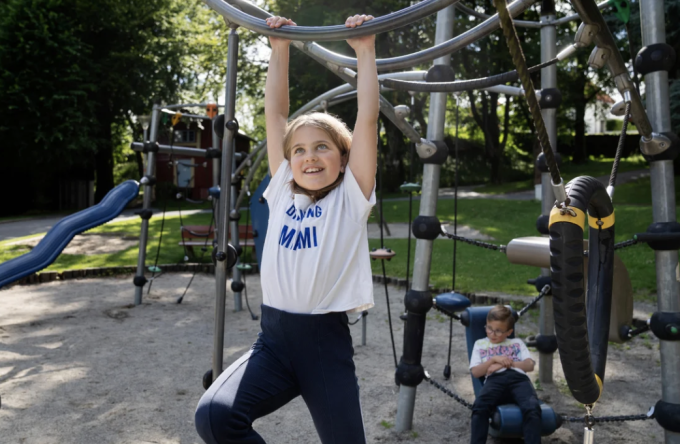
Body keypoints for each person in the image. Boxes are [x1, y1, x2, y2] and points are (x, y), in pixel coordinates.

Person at [194, 13, 379, 444]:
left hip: (323, 346)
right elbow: (275, 113)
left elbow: (367, 119)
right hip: (274, 341)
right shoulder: (282, 191)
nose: (309, 156)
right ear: (287, 160)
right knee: (215, 418)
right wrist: (279, 50)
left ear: (343, 158)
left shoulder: (350, 197)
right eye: (298, 150)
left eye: (321, 147)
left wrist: (365, 52)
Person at [469, 305, 542, 444]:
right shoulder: (480, 344)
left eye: (498, 331)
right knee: (479, 407)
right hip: (495, 380)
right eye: (489, 328)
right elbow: (476, 372)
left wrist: (505, 364)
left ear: (509, 332)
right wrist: (493, 359)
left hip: (518, 379)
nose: (492, 334)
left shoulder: (516, 343)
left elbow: (530, 365)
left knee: (532, 408)